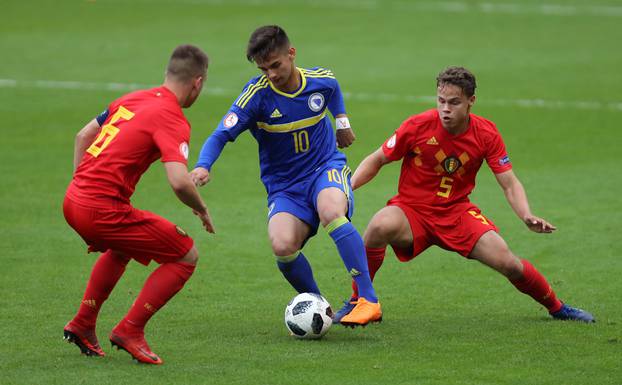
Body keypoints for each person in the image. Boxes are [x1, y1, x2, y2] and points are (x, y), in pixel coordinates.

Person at [334, 66, 594, 323]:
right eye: (441, 101)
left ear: (471, 101)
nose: (445, 109)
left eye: (454, 102)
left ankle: (557, 307)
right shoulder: (417, 125)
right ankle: (360, 301)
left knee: (509, 263)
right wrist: (348, 190)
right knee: (379, 226)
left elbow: (509, 183)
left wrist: (526, 215)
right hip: (412, 211)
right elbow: (377, 159)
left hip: (457, 213)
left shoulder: (486, 134)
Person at [191, 25, 381, 327]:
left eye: (276, 65)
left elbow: (333, 88)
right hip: (285, 188)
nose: (272, 74)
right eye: (264, 68)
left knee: (331, 209)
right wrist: (204, 165)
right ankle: (322, 309)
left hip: (325, 168)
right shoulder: (256, 97)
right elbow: (220, 134)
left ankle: (368, 300)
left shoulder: (319, 80)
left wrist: (342, 122)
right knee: (282, 245)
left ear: (291, 54)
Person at [62, 44, 214, 365]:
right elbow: (177, 180)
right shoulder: (173, 118)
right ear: (197, 83)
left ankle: (83, 323)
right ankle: (130, 329)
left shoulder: (132, 98)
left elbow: (82, 136)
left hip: (74, 199)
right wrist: (201, 208)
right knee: (185, 254)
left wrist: (83, 187)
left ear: (167, 74)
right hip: (100, 209)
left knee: (124, 246)